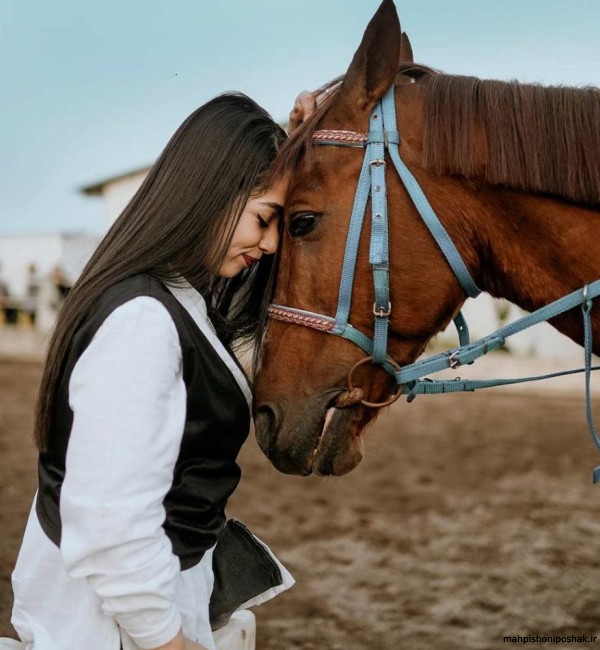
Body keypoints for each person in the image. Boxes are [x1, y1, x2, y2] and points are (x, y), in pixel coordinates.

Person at [10, 93, 296, 650]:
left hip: (135, 605)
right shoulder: (143, 319)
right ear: (211, 193)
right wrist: (167, 640)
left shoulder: (178, 298)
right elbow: (111, 521)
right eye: (265, 219)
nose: (271, 243)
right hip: (109, 626)